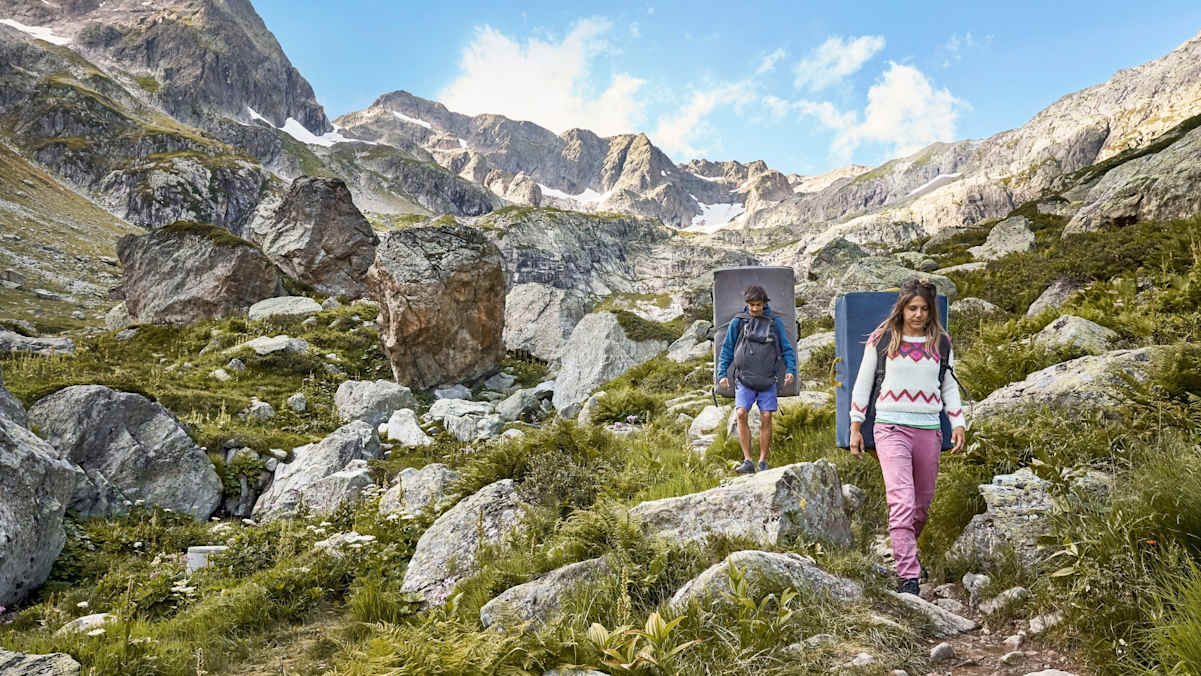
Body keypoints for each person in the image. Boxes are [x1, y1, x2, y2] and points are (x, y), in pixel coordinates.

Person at [848, 278, 966, 595]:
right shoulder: (883, 339)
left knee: (922, 508)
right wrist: (856, 425)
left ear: (931, 311)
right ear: (902, 308)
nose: (918, 314)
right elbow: (863, 382)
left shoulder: (941, 343)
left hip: (928, 429)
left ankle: (905, 551)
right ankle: (909, 577)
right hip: (890, 427)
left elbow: (949, 385)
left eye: (924, 309)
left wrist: (958, 422)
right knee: (902, 501)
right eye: (912, 308)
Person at [717, 285, 797, 474]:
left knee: (767, 416)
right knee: (741, 413)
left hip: (768, 379)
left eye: (758, 304)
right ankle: (747, 460)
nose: (754, 308)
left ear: (764, 303)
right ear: (747, 304)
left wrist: (791, 370)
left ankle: (762, 462)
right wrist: (721, 374)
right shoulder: (739, 322)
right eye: (751, 305)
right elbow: (727, 348)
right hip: (744, 379)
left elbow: (786, 348)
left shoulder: (774, 322)